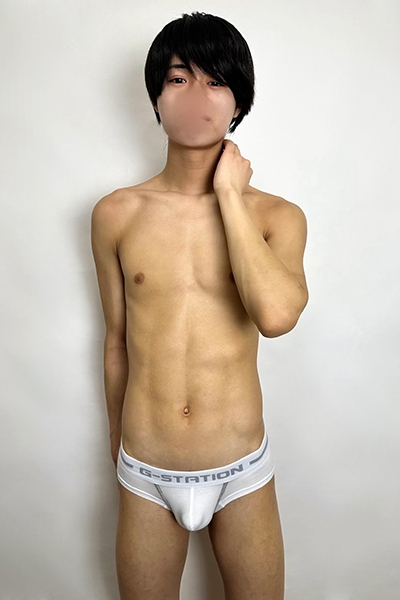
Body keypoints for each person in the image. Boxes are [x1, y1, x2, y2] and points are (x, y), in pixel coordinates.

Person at [91, 11, 308, 600]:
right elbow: (116, 342)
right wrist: (118, 451)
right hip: (145, 469)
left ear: (238, 104)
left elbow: (277, 317)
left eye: (216, 81)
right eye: (179, 78)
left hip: (241, 471)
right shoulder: (116, 213)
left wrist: (229, 195)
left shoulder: (277, 216)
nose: (196, 96)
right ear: (156, 97)